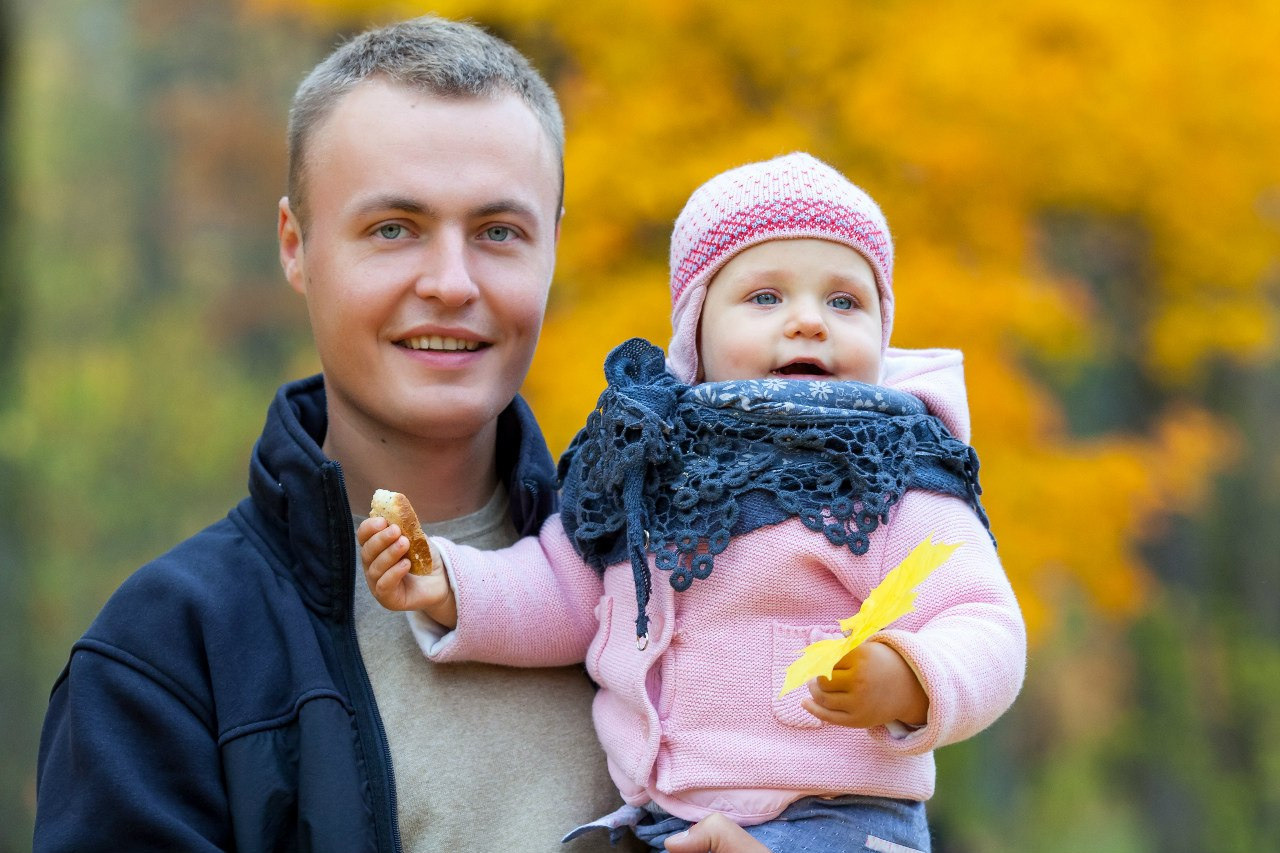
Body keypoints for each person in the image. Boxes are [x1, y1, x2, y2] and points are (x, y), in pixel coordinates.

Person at [34, 15, 680, 852]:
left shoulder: (670, 585)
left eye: (498, 233)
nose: (451, 283)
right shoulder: (164, 657)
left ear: (553, 245)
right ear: (296, 247)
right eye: (393, 229)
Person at [361, 153, 1028, 851]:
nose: (808, 322)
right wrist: (451, 584)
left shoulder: (892, 469)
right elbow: (564, 587)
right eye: (766, 297)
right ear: (694, 331)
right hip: (662, 817)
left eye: (844, 301)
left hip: (835, 822)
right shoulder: (646, 464)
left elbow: (983, 620)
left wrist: (913, 676)